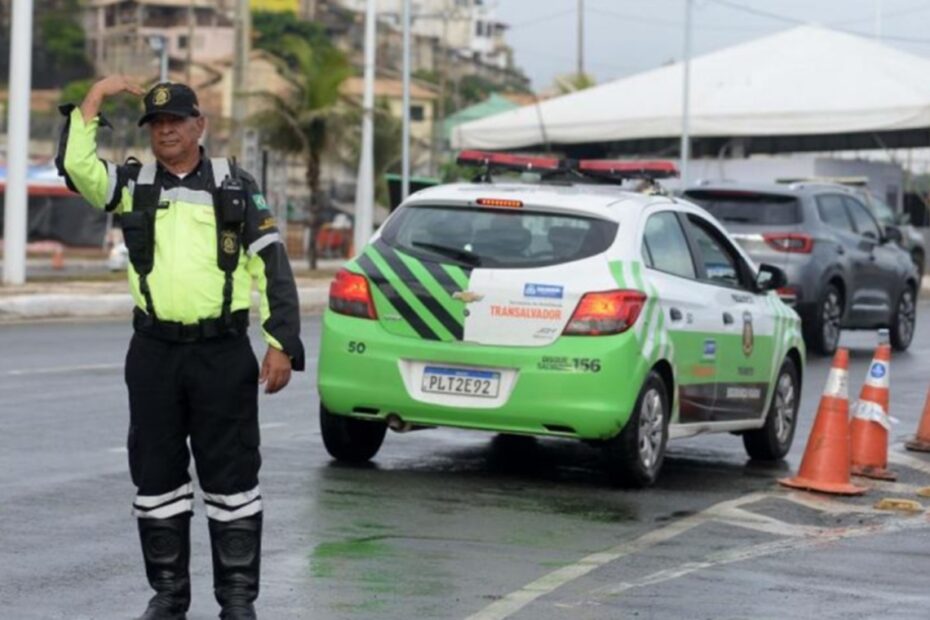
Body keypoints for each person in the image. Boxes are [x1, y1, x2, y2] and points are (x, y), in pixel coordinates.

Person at [56, 76, 305, 620]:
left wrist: (281, 343)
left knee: (232, 477)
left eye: (176, 121)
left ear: (200, 126)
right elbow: (78, 168)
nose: (166, 131)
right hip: (154, 354)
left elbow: (273, 267)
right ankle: (169, 595)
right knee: (156, 475)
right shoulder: (130, 184)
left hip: (221, 354)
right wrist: (96, 96)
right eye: (157, 124)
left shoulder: (234, 186)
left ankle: (237, 599)